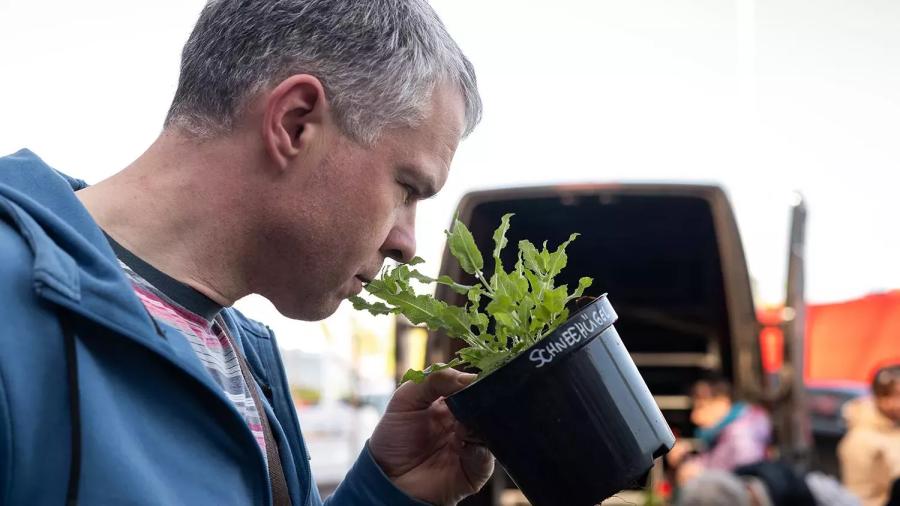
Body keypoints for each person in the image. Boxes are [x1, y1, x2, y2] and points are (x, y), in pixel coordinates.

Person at [0, 1, 490, 505]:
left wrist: (388, 491)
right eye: (407, 188)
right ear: (295, 123)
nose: (406, 244)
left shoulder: (245, 358)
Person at [667, 374, 772, 484]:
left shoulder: (741, 437)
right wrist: (685, 460)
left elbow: (742, 483)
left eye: (701, 407)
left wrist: (694, 474)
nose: (694, 417)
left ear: (722, 403)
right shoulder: (726, 435)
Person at [838, 364, 900, 506]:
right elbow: (858, 496)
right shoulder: (860, 438)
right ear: (882, 398)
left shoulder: (894, 428)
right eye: (897, 395)